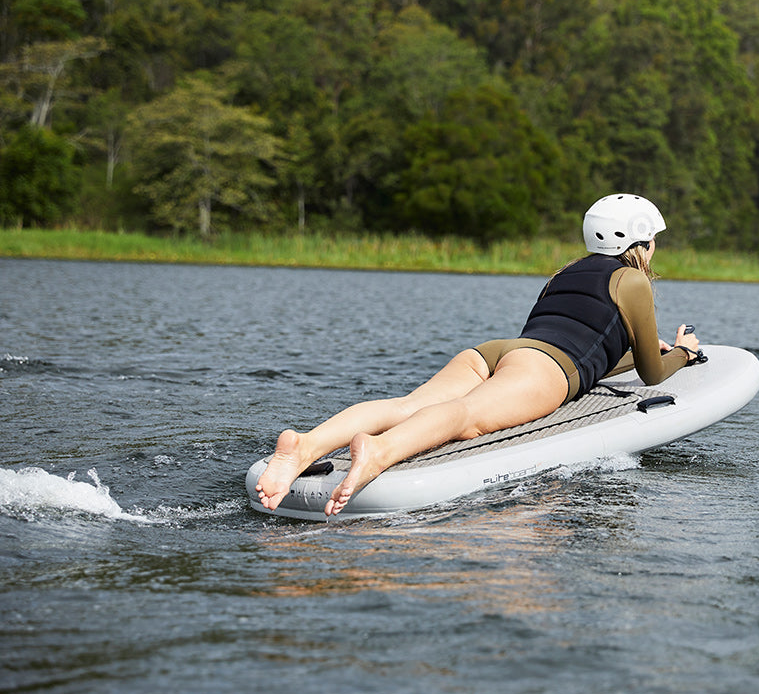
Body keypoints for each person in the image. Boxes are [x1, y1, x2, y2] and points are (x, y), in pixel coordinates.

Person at [255, 193, 702, 517]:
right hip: (544, 367)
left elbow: (588, 347)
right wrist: (682, 351)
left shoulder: (564, 273)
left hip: (497, 352)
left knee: (407, 405)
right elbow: (652, 374)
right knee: (464, 415)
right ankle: (378, 451)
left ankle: (305, 445)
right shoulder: (633, 281)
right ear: (641, 240)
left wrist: (629, 351)